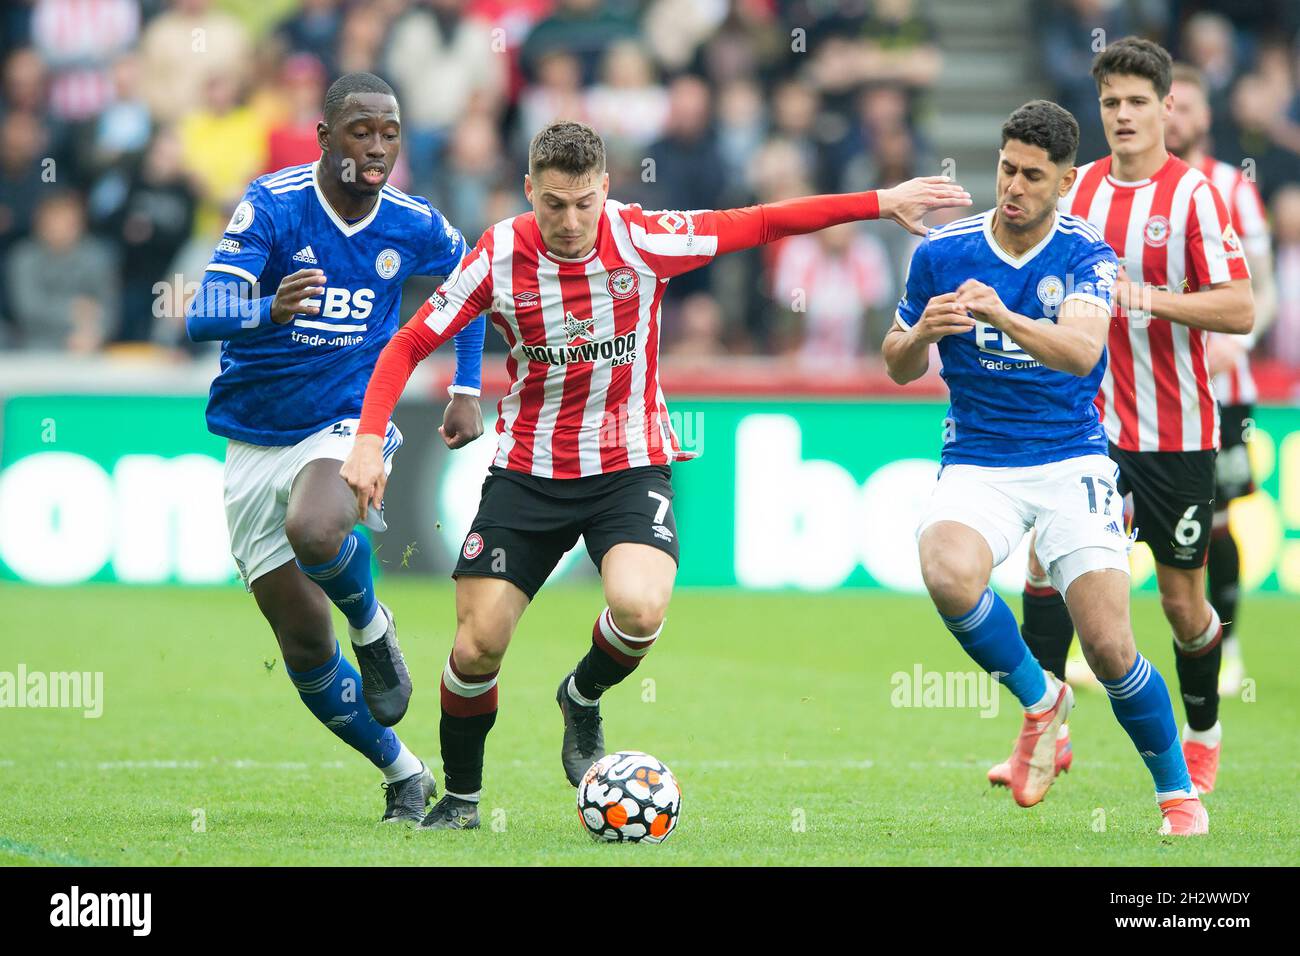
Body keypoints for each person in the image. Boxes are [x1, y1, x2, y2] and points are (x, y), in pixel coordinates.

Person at [341, 119, 970, 830]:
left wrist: (879, 202)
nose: (570, 221)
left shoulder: (644, 238)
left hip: (628, 463)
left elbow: (761, 222)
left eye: (584, 203)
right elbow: (406, 344)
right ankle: (461, 799)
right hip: (529, 470)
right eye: (553, 205)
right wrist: (368, 439)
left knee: (639, 608)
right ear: (528, 193)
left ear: (605, 190)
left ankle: (580, 696)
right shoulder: (499, 253)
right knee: (476, 645)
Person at [886, 99, 1208, 836]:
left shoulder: (1087, 254)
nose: (1014, 188)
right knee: (944, 568)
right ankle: (1042, 701)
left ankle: (1177, 795)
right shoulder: (941, 252)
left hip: (1071, 459)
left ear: (1065, 181)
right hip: (978, 459)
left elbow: (1082, 353)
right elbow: (898, 364)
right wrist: (921, 336)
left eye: (1034, 176)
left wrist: (1001, 316)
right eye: (1006, 169)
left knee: (1109, 645)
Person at [184, 72, 488, 825]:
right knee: (302, 642)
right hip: (255, 435)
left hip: (352, 417)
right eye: (361, 131)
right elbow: (202, 314)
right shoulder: (274, 204)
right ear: (325, 136)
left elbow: (473, 283)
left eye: (390, 132)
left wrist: (466, 386)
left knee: (316, 527)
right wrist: (266, 307)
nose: (378, 147)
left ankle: (374, 628)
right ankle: (403, 774)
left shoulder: (413, 222)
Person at [1013, 38, 1253, 798]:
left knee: (1183, 604)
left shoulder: (1194, 197)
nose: (1123, 114)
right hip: (1085, 432)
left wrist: (1143, 297)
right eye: (1111, 102)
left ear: (1166, 108)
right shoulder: (1075, 189)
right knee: (1043, 566)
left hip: (1176, 432)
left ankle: (1204, 731)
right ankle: (1046, 734)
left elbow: (1240, 307)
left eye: (1137, 102)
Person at [1165, 62, 1276, 698]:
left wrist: (1239, 343)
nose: (1175, 117)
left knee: (1217, 519)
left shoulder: (1232, 187)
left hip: (1219, 390)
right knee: (1107, 518)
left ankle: (1225, 644)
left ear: (1206, 117)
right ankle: (1089, 647)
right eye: (1167, 105)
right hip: (1138, 390)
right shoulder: (1121, 189)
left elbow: (1266, 289)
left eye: (1187, 107)